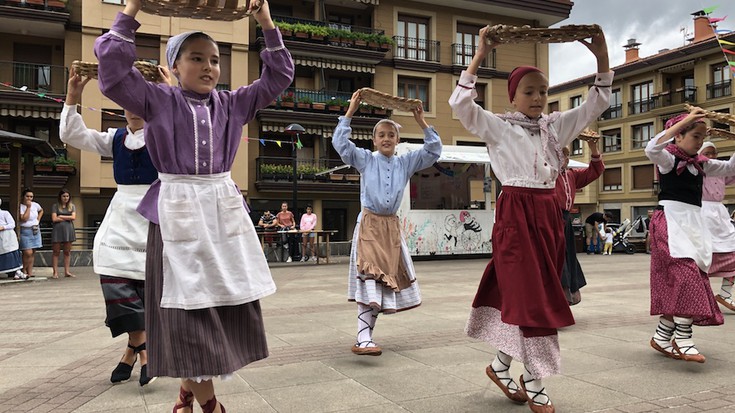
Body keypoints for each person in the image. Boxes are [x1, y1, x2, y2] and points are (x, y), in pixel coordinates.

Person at [94, 0, 293, 410]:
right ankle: (208, 406)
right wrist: (131, 9)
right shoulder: (157, 101)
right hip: (175, 218)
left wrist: (265, 21)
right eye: (196, 58)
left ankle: (186, 396)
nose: (209, 67)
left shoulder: (232, 104)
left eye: (215, 60)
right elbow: (112, 74)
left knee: (216, 309)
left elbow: (278, 77)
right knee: (188, 315)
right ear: (175, 65)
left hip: (221, 216)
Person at [449, 24, 611, 412]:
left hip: (549, 219)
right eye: (529, 91)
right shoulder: (500, 127)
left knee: (531, 296)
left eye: (543, 90)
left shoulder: (554, 127)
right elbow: (461, 106)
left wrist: (601, 56)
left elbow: (597, 102)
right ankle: (535, 379)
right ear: (514, 96)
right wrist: (480, 54)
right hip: (515, 218)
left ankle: (500, 366)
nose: (538, 97)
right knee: (535, 301)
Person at [59, 65, 168, 386]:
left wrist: (169, 91)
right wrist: (73, 96)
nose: (133, 110)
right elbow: (72, 134)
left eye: (140, 102)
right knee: (114, 281)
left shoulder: (165, 136)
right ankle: (145, 349)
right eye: (127, 103)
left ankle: (132, 352)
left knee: (145, 291)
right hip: (120, 219)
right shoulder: (115, 138)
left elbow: (187, 129)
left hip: (153, 217)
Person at [334, 90, 441, 356]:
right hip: (370, 224)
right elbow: (341, 145)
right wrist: (350, 112)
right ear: (374, 140)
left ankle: (365, 337)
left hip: (391, 228)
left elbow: (433, 150)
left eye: (390, 135)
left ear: (397, 139)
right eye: (381, 135)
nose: (386, 139)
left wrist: (422, 121)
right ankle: (362, 337)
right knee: (369, 276)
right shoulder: (366, 159)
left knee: (382, 283)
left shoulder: (405, 162)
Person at [645, 108, 735, 364]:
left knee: (690, 276)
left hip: (693, 224)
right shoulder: (668, 159)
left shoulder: (701, 165)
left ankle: (662, 337)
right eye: (696, 135)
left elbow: (730, 167)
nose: (700, 141)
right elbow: (651, 149)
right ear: (678, 136)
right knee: (687, 276)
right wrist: (684, 121)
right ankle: (683, 339)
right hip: (671, 221)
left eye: (702, 136)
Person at [554, 140, 604, 306]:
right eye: (561, 155)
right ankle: (557, 297)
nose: (565, 159)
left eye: (567, 156)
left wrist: (593, 148)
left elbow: (595, 171)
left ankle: (569, 294)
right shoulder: (547, 174)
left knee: (567, 256)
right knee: (556, 257)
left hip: (565, 218)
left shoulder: (571, 175)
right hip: (550, 218)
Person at [697, 142, 735, 313]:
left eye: (714, 153)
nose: (711, 157)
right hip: (701, 213)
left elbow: (732, 170)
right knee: (701, 259)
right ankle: (698, 299)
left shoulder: (719, 169)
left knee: (732, 253)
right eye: (707, 153)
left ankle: (725, 294)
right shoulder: (698, 168)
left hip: (719, 215)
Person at [50, 188, 77, 279]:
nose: (65, 198)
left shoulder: (72, 206)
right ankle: (55, 272)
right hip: (58, 230)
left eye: (67, 196)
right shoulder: (55, 206)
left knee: (67, 252)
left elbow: (73, 217)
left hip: (68, 230)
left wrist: (61, 216)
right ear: (60, 197)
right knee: (56, 251)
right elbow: (54, 219)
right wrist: (67, 217)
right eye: (64, 196)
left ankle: (67, 271)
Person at [19, 188, 43, 278]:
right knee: (27, 252)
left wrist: (38, 220)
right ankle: (23, 269)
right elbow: (24, 218)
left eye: (31, 197)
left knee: (33, 251)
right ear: (23, 197)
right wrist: (28, 207)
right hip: (25, 230)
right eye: (27, 196)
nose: (29, 198)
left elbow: (41, 210)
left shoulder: (36, 205)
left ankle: (30, 271)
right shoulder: (21, 206)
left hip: (35, 229)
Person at [0, 199, 25, 280]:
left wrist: (3, 227)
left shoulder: (5, 213)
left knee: (11, 252)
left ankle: (17, 272)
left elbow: (12, 224)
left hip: (7, 236)